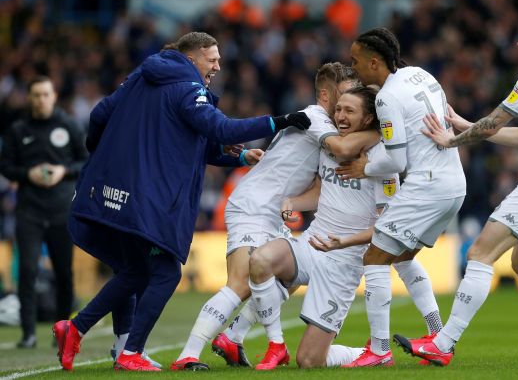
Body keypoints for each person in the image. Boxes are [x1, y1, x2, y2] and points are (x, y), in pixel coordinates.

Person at [51, 31, 310, 372]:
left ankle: (87, 333)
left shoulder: (140, 79)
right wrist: (278, 121)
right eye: (212, 58)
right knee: (165, 273)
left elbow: (101, 115)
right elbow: (219, 128)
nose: (218, 65)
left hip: (115, 189)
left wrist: (107, 155)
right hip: (150, 196)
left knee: (134, 269)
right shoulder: (187, 87)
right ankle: (126, 351)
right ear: (192, 58)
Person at [396, 13, 518, 366]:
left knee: (480, 253)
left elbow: (493, 123)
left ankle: (443, 343)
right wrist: (467, 125)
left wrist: (452, 139)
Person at [170, 62, 378, 371]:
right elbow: (342, 149)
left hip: (270, 209)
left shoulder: (326, 124)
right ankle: (188, 354)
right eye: (345, 94)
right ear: (326, 95)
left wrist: (292, 200)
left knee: (284, 277)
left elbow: (321, 184)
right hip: (254, 206)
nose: (348, 105)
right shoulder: (315, 118)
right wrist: (382, 130)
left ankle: (234, 337)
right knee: (241, 284)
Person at [334, 27, 466, 367]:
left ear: (375, 62)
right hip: (453, 183)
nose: (354, 69)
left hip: (428, 185)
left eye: (356, 61)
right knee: (403, 257)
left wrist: (366, 166)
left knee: (375, 258)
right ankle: (437, 335)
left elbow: (396, 159)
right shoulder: (421, 74)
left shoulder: (385, 96)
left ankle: (379, 350)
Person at [247, 85, 400, 370]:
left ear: (368, 119)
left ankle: (368, 354)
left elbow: (386, 227)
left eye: (349, 111)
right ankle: (275, 344)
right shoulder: (329, 145)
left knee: (308, 361)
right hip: (312, 242)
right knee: (259, 260)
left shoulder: (382, 162)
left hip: (345, 260)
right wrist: (292, 200)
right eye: (339, 109)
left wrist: (343, 242)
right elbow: (320, 190)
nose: (340, 116)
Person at [0, 76, 88, 348]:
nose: (41, 99)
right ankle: (28, 334)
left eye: (45, 94)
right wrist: (28, 173)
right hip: (29, 212)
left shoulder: (69, 125)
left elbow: (85, 162)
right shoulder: (18, 130)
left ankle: (62, 331)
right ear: (29, 97)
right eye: (36, 95)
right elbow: (6, 167)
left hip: (61, 211)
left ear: (54, 95)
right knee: (26, 271)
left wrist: (64, 171)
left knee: (64, 272)